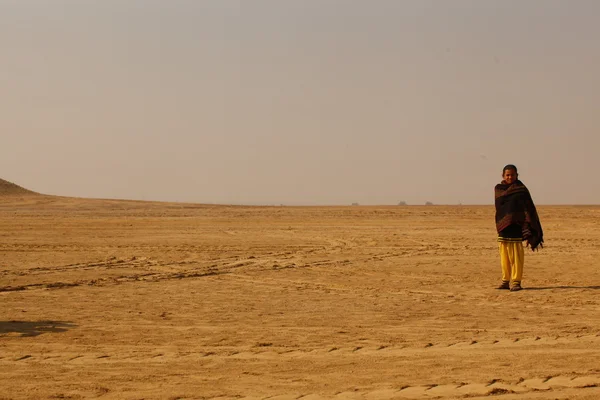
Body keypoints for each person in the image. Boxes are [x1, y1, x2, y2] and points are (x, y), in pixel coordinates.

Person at [494, 165, 543, 291]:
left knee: (516, 256)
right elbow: (500, 207)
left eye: (512, 175)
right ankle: (505, 280)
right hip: (502, 227)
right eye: (507, 175)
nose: (510, 177)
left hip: (516, 226)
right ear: (503, 176)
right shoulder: (498, 189)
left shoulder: (521, 190)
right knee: (504, 256)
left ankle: (516, 282)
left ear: (517, 175)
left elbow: (528, 208)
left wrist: (527, 223)